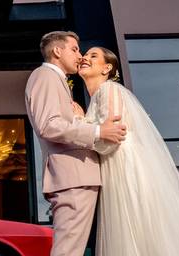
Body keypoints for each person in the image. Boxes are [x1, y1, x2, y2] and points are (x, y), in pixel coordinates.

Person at [77, 46, 179, 256]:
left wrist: (79, 124)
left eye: (93, 56)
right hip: (114, 165)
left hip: (124, 166)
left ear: (107, 68)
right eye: (84, 55)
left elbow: (112, 138)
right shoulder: (98, 96)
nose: (85, 58)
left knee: (136, 226)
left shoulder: (108, 89)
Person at [25, 31, 127, 256]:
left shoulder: (56, 80)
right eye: (74, 49)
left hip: (78, 176)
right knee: (68, 251)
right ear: (57, 51)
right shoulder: (45, 76)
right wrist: (99, 131)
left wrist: (80, 119)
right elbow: (49, 125)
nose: (80, 56)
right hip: (73, 177)